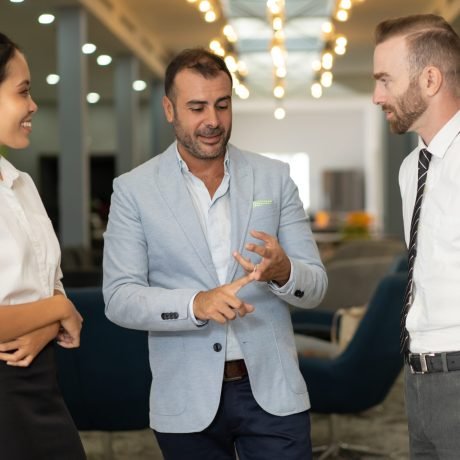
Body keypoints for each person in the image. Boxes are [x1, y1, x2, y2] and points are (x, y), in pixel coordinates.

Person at [103, 48, 327, 460]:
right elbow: (119, 298)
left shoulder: (274, 179)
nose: (213, 121)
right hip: (186, 397)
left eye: (222, 105)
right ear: (169, 109)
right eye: (197, 107)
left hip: (273, 395)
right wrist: (196, 304)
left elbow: (314, 286)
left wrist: (283, 272)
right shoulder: (133, 191)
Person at [373, 14, 460, 458]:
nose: (376, 96)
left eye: (385, 80)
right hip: (418, 377)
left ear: (429, 79)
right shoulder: (412, 168)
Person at [0, 32, 86, 459]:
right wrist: (59, 311)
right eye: (23, 91)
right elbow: (58, 302)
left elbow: (51, 285)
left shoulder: (22, 184)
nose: (33, 105)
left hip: (40, 376)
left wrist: (48, 322)